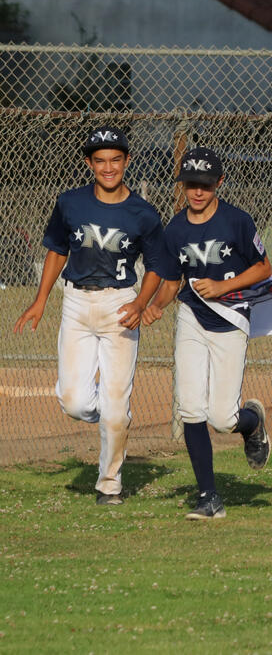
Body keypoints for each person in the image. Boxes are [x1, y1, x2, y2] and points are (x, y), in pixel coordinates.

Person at [14, 126, 169, 505]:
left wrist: (141, 304)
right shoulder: (70, 202)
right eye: (100, 160)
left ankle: (109, 483)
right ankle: (115, 419)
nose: (108, 167)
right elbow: (55, 250)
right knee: (74, 402)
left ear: (127, 161)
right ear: (89, 163)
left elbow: (157, 266)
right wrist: (40, 300)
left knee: (115, 408)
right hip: (77, 304)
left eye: (115, 159)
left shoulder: (143, 213)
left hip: (120, 304)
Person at [142, 148, 272, 519]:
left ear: (219, 183)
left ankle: (252, 422)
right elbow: (171, 281)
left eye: (205, 184)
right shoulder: (176, 228)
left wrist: (222, 286)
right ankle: (208, 497)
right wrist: (155, 306)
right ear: (182, 186)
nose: (197, 192)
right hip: (192, 316)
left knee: (223, 417)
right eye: (190, 184)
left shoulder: (237, 221)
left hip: (230, 318)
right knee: (190, 408)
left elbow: (263, 268)